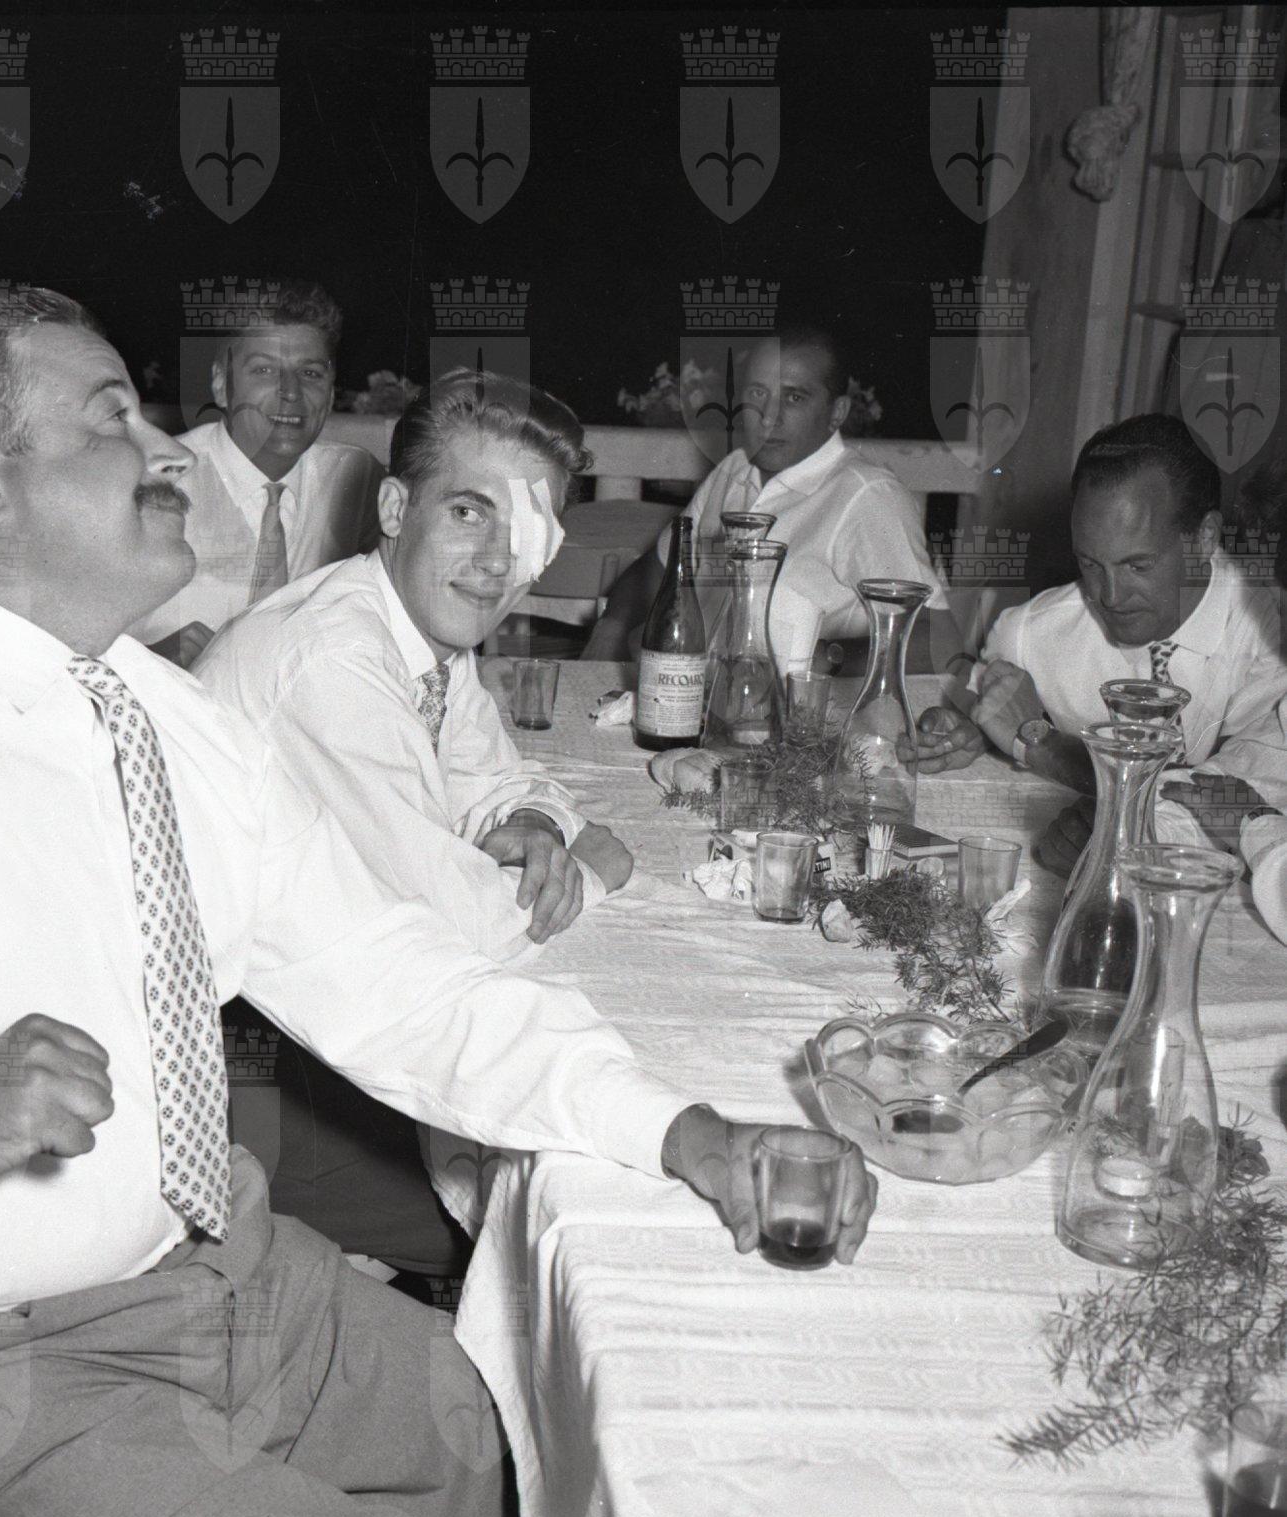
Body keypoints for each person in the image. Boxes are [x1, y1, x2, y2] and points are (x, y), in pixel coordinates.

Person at [0, 289, 876, 1517]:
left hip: (232, 1285)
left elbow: (396, 983)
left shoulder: (178, 722)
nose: (167, 449)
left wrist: (681, 1129)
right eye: (110, 420)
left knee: (587, 1493)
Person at [198, 370, 635, 1272]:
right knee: (560, 1228)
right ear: (396, 507)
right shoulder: (334, 658)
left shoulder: (418, 627)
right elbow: (461, 922)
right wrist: (595, 865)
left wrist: (536, 825)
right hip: (238, 1085)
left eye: (528, 531)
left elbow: (497, 778)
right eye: (470, 512)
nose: (497, 560)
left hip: (318, 1022)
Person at [915, 415, 1287, 875]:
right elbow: (984, 715)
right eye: (1090, 564)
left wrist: (1043, 745)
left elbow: (1236, 799)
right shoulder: (1029, 631)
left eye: (1138, 566)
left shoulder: (1270, 629)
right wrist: (966, 734)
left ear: (1205, 537)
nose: (1109, 596)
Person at [582, 325, 961, 676]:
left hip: (809, 716)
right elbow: (660, 566)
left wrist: (830, 657)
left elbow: (940, 642)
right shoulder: (734, 470)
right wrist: (612, 626)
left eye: (794, 397)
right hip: (705, 699)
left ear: (837, 413)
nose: (768, 418)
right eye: (757, 393)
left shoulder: (866, 495)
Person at [128, 279, 383, 668]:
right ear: (221, 385)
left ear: (331, 394)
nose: (290, 392)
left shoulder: (357, 478)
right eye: (264, 370)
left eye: (311, 373)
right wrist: (145, 664)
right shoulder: (152, 479)